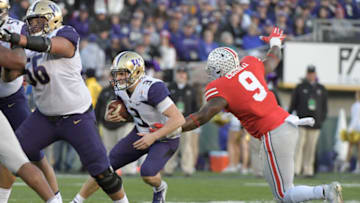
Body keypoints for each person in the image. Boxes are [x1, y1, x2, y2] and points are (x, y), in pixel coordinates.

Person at [179, 27, 343, 202]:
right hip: (286, 124)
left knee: (284, 195)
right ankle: (325, 192)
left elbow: (202, 116)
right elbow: (274, 58)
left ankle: (325, 192)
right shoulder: (249, 64)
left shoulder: (220, 87)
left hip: (274, 132)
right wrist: (275, 42)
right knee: (279, 193)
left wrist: (174, 127)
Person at [0, 1, 128, 202]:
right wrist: (11, 53)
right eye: (30, 22)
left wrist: (20, 40)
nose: (33, 26)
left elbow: (61, 48)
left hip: (76, 116)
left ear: (53, 19)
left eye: (38, 21)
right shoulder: (26, 47)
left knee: (102, 173)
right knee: (10, 158)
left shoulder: (65, 32)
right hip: (43, 118)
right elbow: (9, 76)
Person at [70, 51, 185, 203]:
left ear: (136, 72)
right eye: (116, 74)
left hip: (165, 137)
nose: (118, 78)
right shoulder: (121, 89)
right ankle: (77, 201)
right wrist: (119, 114)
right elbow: (137, 111)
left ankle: (160, 187)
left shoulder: (152, 88)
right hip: (140, 133)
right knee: (103, 168)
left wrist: (154, 137)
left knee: (148, 174)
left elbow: (178, 119)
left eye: (123, 74)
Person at [0, 0, 32, 199]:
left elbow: (22, 63)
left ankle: (55, 196)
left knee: (28, 152)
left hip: (11, 97)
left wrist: (11, 71)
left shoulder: (16, 27)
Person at [288, 65, 328, 177]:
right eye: (309, 73)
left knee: (311, 148)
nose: (311, 75)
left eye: (312, 73)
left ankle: (308, 170)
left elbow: (324, 107)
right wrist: (290, 116)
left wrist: (321, 120)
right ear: (307, 74)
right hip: (302, 122)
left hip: (315, 124)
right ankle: (296, 169)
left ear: (315, 74)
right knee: (299, 146)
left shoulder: (321, 89)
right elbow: (293, 104)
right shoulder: (300, 87)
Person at [94, 77, 136, 176]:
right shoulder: (104, 91)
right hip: (107, 125)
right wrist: (96, 122)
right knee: (109, 149)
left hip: (124, 124)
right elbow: (98, 108)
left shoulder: (127, 90)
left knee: (127, 147)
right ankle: (111, 169)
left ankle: (129, 170)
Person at [164, 66, 199, 176]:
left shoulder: (191, 90)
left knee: (187, 146)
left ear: (186, 75)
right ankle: (168, 169)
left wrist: (193, 122)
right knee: (170, 146)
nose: (181, 75)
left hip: (186, 122)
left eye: (183, 73)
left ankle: (187, 169)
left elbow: (196, 107)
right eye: (179, 72)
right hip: (171, 122)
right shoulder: (170, 88)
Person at [341, 90, 360, 173]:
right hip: (356, 128)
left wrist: (349, 129)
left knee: (353, 148)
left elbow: (355, 118)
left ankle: (348, 164)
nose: (355, 95)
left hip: (356, 129)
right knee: (351, 147)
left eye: (357, 94)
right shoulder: (355, 105)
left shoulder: (356, 105)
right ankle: (348, 164)